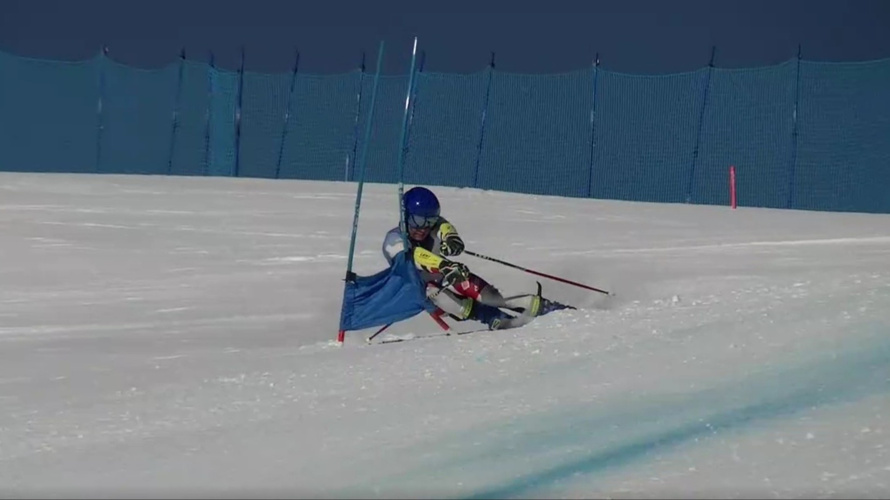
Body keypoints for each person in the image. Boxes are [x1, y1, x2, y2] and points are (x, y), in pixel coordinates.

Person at [382, 186, 571, 330]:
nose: (423, 227)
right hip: (419, 290)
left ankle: (545, 307)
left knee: (490, 296)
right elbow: (414, 256)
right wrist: (443, 265)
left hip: (448, 275)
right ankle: (493, 317)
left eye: (429, 221)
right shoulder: (393, 239)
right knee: (438, 296)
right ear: (405, 216)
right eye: (418, 220)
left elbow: (444, 228)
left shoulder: (434, 226)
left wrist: (452, 240)